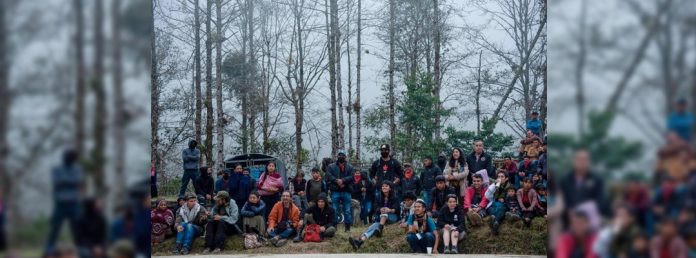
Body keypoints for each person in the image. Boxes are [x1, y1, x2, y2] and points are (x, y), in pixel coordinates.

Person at [44, 149, 84, 257]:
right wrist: (70, 182)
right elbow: (57, 182)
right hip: (60, 203)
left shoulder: (77, 169)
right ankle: (48, 250)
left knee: (76, 229)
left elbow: (78, 182)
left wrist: (65, 181)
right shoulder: (56, 169)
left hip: (73, 203)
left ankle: (79, 249)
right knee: (54, 228)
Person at [349, 181, 401, 251]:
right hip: (381, 219)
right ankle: (360, 241)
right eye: (383, 186)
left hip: (392, 217)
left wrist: (390, 210)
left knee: (384, 215)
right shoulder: (378, 196)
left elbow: (397, 209)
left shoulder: (395, 197)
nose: (384, 187)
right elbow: (375, 208)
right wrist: (380, 209)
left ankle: (380, 229)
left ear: (390, 188)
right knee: (374, 226)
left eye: (386, 186)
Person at [560, 150, 606, 223]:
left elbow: (600, 200)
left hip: (590, 218)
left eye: (585, 160)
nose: (582, 163)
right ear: (574, 161)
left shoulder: (596, 180)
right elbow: (562, 199)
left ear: (589, 162)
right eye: (579, 159)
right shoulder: (565, 180)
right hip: (568, 218)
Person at [325, 149, 355, 232]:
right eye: (339, 155)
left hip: (346, 191)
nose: (341, 156)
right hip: (335, 191)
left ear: (345, 156)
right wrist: (336, 181)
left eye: (342, 155)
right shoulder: (331, 166)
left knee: (347, 210)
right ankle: (334, 227)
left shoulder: (350, 167)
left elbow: (352, 177)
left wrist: (343, 181)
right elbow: (329, 176)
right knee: (334, 210)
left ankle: (347, 228)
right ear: (337, 156)